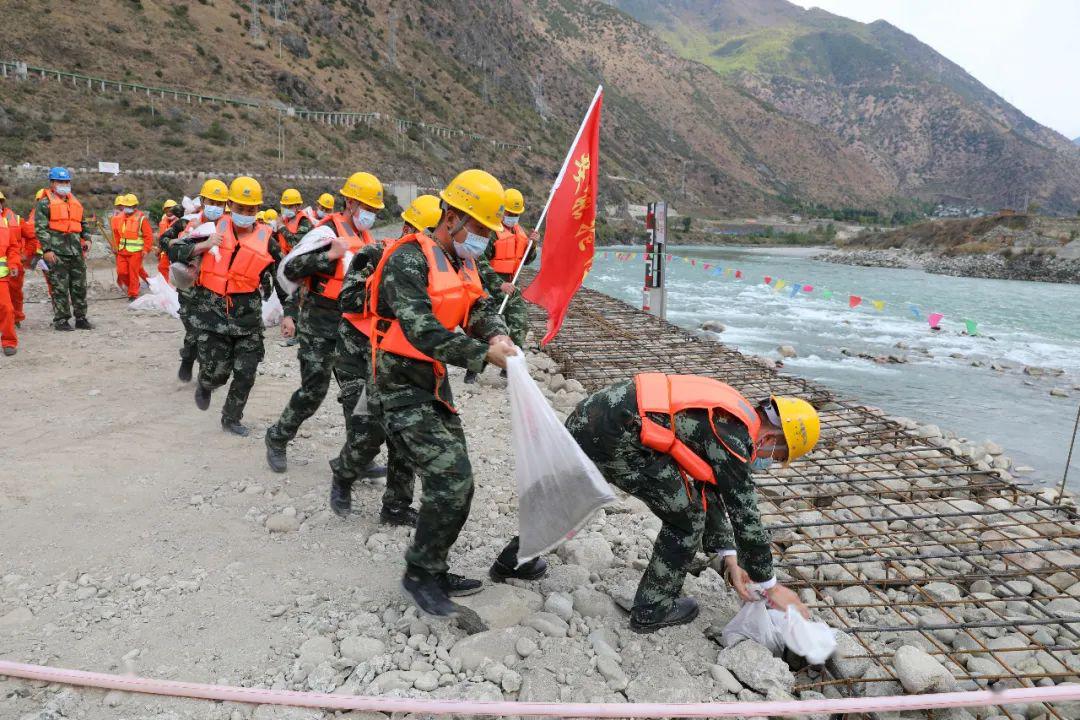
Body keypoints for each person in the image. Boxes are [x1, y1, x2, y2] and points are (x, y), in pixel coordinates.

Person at [521, 373, 819, 632]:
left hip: (595, 417)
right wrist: (770, 586)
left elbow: (710, 484)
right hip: (616, 438)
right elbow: (746, 516)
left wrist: (729, 555)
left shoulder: (734, 415)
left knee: (572, 491)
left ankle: (515, 561)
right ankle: (653, 610)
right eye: (778, 457)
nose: (769, 461)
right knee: (687, 519)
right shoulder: (735, 440)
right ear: (772, 439)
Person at [366, 169, 519, 616]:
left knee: (459, 482)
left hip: (432, 383)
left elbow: (480, 307)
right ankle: (418, 575)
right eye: (478, 229)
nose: (483, 240)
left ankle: (433, 565)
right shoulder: (407, 261)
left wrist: (496, 336)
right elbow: (421, 330)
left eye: (489, 233)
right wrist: (481, 355)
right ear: (451, 216)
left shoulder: (462, 262)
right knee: (451, 479)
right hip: (398, 384)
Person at [328, 194, 441, 520]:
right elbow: (347, 299)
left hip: (400, 361)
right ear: (407, 228)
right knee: (366, 433)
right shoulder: (373, 254)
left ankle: (396, 506)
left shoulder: (438, 267)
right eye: (421, 235)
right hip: (358, 357)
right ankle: (343, 475)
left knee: (403, 436)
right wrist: (389, 289)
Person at [265, 172, 384, 475]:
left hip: (352, 325)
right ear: (351, 202)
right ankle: (277, 437)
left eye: (375, 210)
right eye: (368, 207)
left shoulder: (366, 237)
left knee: (358, 393)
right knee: (313, 392)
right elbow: (291, 269)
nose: (371, 215)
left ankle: (358, 456)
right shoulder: (324, 232)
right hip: (319, 322)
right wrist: (328, 256)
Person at [185, 176, 282, 435]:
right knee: (217, 373)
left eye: (251, 210)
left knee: (246, 372)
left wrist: (291, 313)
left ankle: (231, 418)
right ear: (230, 205)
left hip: (247, 317)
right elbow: (175, 251)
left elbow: (283, 275)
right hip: (213, 314)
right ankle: (205, 384)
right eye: (240, 209)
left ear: (258, 211)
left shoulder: (267, 238)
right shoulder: (210, 227)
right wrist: (204, 245)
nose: (246, 214)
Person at [466, 187, 540, 383]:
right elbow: (479, 262)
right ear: (502, 210)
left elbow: (526, 260)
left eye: (516, 214)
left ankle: (510, 367)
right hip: (489, 287)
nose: (513, 217)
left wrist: (532, 245)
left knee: (520, 322)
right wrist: (499, 285)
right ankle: (473, 370)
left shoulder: (519, 232)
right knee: (486, 327)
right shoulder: (489, 231)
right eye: (509, 213)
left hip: (512, 285)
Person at [161, 178, 231, 382]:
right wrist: (178, 242)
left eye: (220, 203)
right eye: (212, 202)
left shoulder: (229, 227)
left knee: (211, 334)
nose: (216, 207)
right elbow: (165, 240)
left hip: (216, 289)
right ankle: (188, 358)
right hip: (190, 288)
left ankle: (204, 372)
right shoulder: (187, 222)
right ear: (203, 200)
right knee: (194, 330)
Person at [34, 167, 93, 331]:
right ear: (52, 183)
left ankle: (81, 318)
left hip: (76, 252)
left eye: (66, 182)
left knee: (79, 286)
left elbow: (83, 224)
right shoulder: (44, 203)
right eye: (60, 182)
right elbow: (40, 228)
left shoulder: (75, 202)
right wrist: (47, 250)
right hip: (56, 253)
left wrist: (87, 239)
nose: (64, 185)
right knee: (59, 287)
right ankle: (61, 320)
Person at [112, 194, 153, 301]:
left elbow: (148, 235)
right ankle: (133, 287)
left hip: (136, 252)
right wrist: (115, 247)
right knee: (122, 272)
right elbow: (116, 234)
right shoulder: (119, 218)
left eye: (130, 206)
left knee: (133, 273)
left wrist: (146, 249)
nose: (127, 208)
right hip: (122, 251)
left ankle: (133, 294)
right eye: (126, 206)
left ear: (135, 206)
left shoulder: (141, 218)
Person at [0, 191, 30, 329]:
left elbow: (32, 236)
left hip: (14, 265)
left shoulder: (16, 220)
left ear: (2, 203)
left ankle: (15, 318)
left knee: (15, 293)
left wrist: (26, 254)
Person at [0, 197, 22, 355]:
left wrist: (13, 264)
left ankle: (9, 342)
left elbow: (12, 248)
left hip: (1, 277)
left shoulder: (4, 224)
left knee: (7, 309)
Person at [156, 199, 180, 279]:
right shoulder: (163, 222)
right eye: (167, 211)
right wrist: (158, 249)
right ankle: (167, 287)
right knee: (162, 267)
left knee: (175, 271)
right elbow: (161, 237)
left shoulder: (182, 220)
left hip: (177, 250)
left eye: (171, 211)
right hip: (165, 251)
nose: (169, 213)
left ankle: (171, 287)